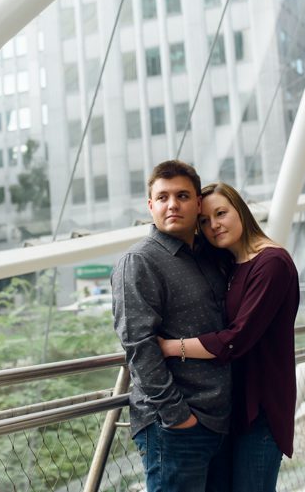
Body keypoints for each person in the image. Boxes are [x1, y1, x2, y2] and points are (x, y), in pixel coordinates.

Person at [158, 182, 299, 492]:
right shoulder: (230, 264)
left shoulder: (271, 263)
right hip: (231, 405)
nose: (214, 226)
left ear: (241, 210)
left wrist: (169, 347)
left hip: (261, 406)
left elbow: (237, 338)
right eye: (204, 221)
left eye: (221, 213)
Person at [112, 160, 232, 492]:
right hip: (177, 426)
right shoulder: (139, 262)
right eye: (163, 197)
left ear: (197, 203)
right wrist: (178, 417)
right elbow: (139, 347)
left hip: (220, 420)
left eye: (182, 196)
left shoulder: (210, 258)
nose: (173, 205)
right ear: (150, 205)